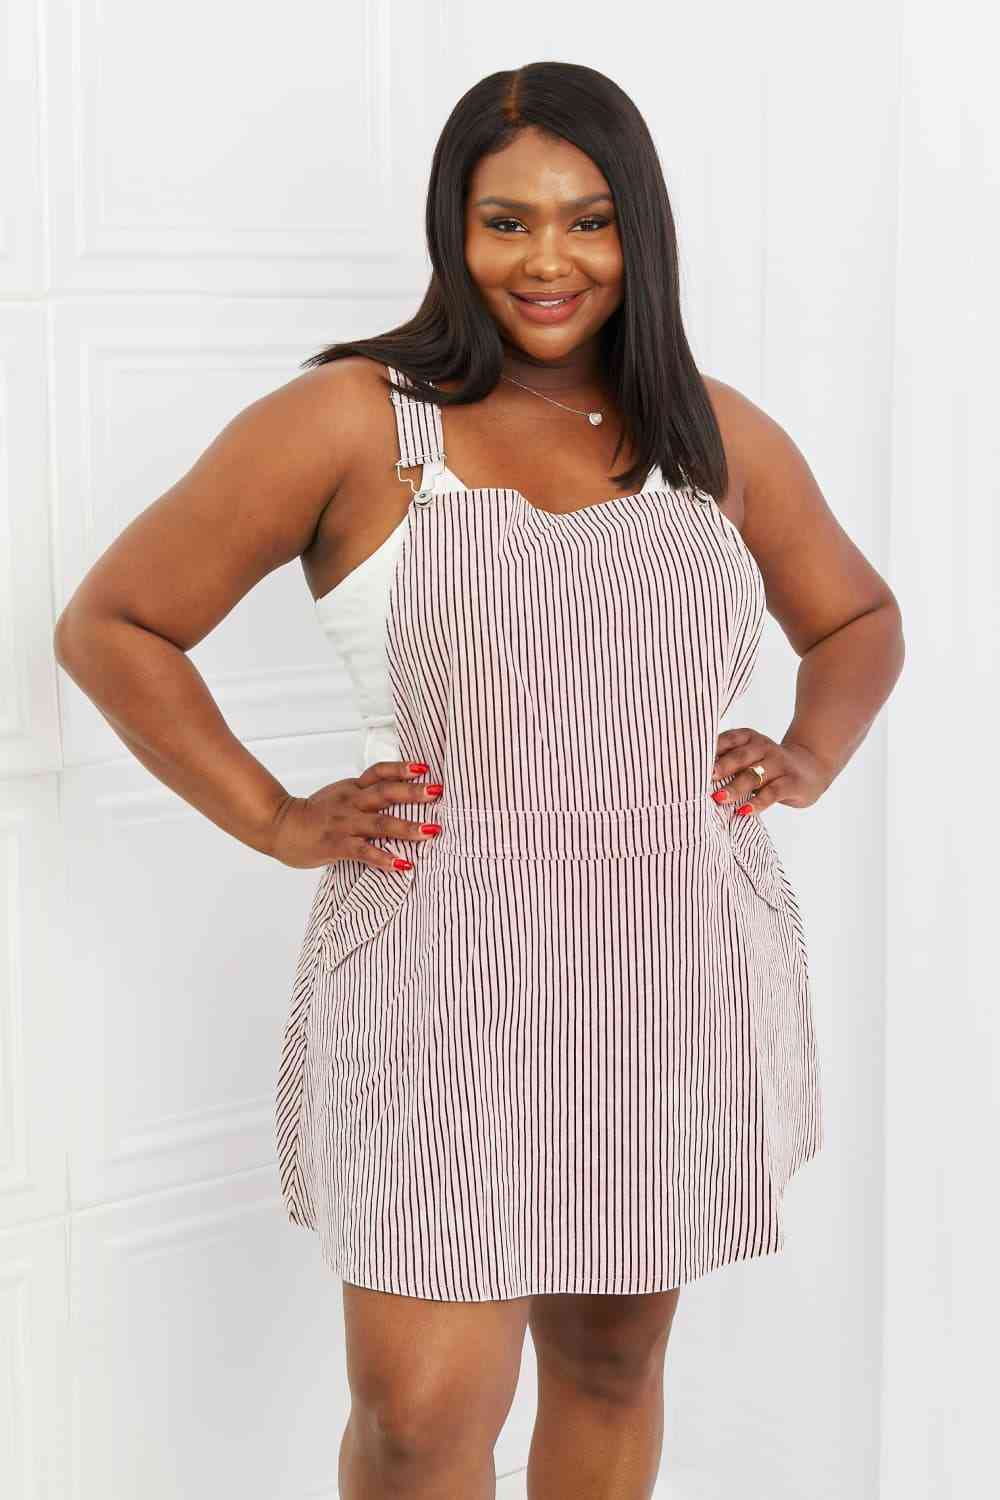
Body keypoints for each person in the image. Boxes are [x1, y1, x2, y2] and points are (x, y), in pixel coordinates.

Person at [54, 60, 904, 1500]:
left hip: (667, 956)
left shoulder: (708, 433)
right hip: (440, 970)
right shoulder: (351, 421)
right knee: (419, 1418)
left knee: (613, 1360)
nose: (548, 261)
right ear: (453, 228)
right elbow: (116, 624)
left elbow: (858, 618)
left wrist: (808, 751)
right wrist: (274, 817)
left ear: (640, 231)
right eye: (506, 221)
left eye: (588, 220)